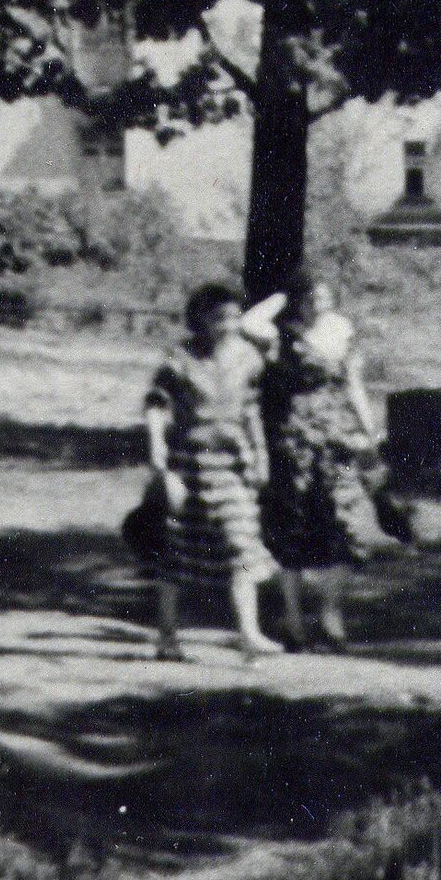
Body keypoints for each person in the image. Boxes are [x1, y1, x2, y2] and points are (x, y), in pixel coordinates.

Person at [245, 271, 386, 648]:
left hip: (337, 437)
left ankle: (330, 613)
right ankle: (292, 619)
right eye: (309, 297)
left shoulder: (343, 330)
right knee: (292, 525)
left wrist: (369, 430)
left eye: (323, 296)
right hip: (294, 438)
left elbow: (354, 384)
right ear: (298, 300)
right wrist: (282, 294)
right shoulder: (281, 332)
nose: (317, 304)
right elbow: (248, 322)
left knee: (349, 523)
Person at [144, 283, 280, 660]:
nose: (228, 325)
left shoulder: (249, 358)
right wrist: (156, 443)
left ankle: (249, 635)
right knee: (178, 550)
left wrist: (260, 454)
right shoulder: (180, 358)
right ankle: (167, 637)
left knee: (240, 542)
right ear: (200, 318)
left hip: (232, 465)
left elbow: (252, 409)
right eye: (219, 317)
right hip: (187, 463)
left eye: (235, 316)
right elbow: (156, 403)